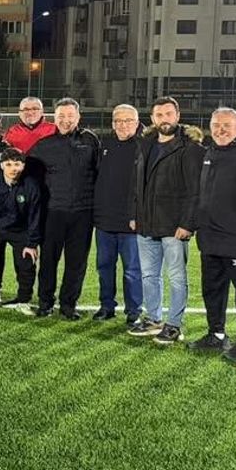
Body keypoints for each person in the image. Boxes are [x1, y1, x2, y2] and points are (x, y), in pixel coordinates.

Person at [127, 97, 205, 344]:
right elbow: (136, 184)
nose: (164, 119)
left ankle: (174, 325)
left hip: (174, 225)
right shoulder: (146, 144)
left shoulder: (190, 148)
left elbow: (195, 190)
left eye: (169, 114)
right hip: (146, 222)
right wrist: (134, 215)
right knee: (149, 275)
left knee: (177, 277)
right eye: (159, 115)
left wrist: (187, 223)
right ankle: (153, 319)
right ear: (152, 118)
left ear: (177, 116)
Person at [190, 107, 236, 360]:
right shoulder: (210, 151)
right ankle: (216, 335)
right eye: (216, 125)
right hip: (210, 239)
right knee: (212, 290)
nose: (220, 130)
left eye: (226, 126)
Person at [27, 98, 98, 320]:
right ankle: (45, 303)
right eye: (61, 116)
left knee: (76, 262)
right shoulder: (44, 145)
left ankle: (68, 305)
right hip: (53, 212)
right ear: (54, 118)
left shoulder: (91, 141)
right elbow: (25, 173)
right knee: (48, 260)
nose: (66, 120)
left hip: (83, 212)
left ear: (78, 117)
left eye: (70, 116)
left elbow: (100, 172)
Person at [0, 148, 41, 315]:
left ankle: (23, 301)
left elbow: (34, 217)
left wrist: (31, 244)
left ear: (23, 166)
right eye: (9, 164)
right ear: (2, 165)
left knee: (27, 261)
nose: (13, 168)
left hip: (20, 230)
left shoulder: (31, 185)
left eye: (17, 164)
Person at [93, 104, 143, 324]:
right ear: (113, 124)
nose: (123, 125)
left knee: (132, 270)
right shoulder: (105, 145)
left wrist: (138, 215)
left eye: (128, 121)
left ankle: (134, 311)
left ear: (137, 122)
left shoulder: (144, 146)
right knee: (104, 267)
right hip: (105, 221)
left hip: (131, 223)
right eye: (118, 121)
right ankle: (107, 306)